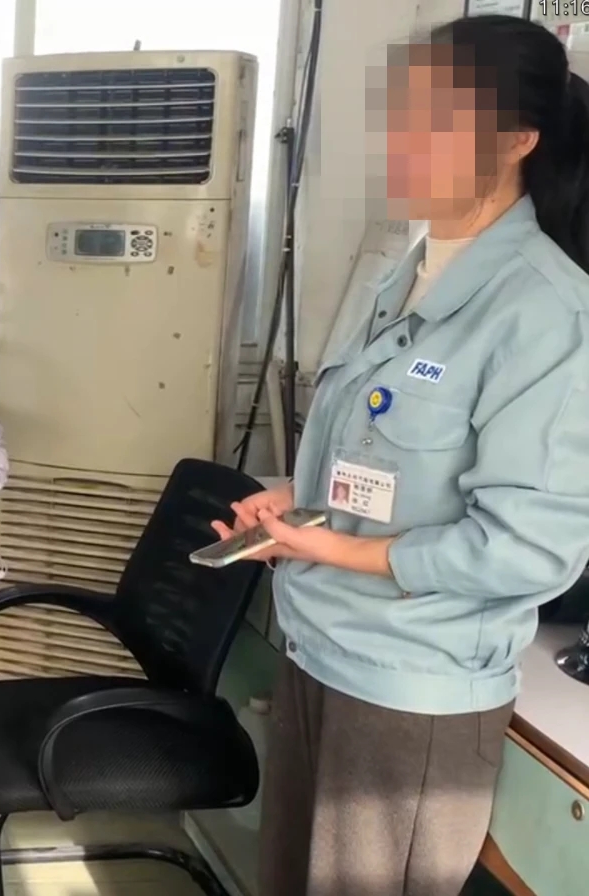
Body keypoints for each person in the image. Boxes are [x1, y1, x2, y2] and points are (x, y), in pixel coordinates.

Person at [207, 16, 589, 896]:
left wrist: (328, 547)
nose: (404, 138)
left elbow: (527, 550)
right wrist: (296, 498)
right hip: (320, 648)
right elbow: (385, 460)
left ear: (518, 140)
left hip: (409, 690)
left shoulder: (545, 312)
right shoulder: (409, 270)